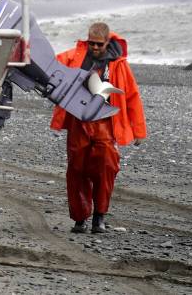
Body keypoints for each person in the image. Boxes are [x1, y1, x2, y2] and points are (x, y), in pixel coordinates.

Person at [50, 22, 146, 234]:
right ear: (88, 40)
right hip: (78, 119)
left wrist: (138, 130)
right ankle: (80, 218)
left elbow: (132, 96)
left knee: (106, 169)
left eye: (99, 44)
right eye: (92, 43)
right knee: (76, 169)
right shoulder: (75, 55)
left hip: (106, 122)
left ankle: (99, 217)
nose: (95, 48)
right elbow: (52, 66)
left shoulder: (119, 64)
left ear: (107, 42)